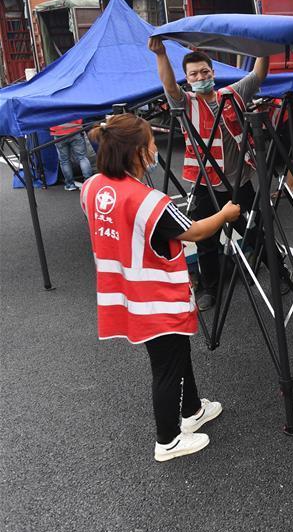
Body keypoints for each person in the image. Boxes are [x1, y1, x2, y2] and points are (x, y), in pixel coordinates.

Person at [81, 113, 241, 461]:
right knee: (167, 366)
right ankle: (167, 440)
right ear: (138, 152)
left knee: (177, 355)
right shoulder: (149, 201)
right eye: (152, 143)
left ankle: (192, 410)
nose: (156, 148)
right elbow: (196, 231)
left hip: (124, 293)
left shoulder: (92, 187)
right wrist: (227, 213)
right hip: (155, 297)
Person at [148, 38, 292, 311]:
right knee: (205, 239)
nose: (200, 77)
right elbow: (168, 85)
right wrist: (161, 54)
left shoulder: (233, 93)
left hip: (240, 182)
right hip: (206, 184)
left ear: (213, 73)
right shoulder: (186, 102)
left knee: (257, 234)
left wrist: (262, 49)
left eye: (204, 72)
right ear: (187, 79)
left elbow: (258, 74)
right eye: (194, 74)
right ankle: (209, 288)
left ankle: (280, 274)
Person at [50, 118, 93, 191]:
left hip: (58, 132)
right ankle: (88, 183)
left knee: (64, 161)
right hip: (75, 129)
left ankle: (70, 184)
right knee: (82, 158)